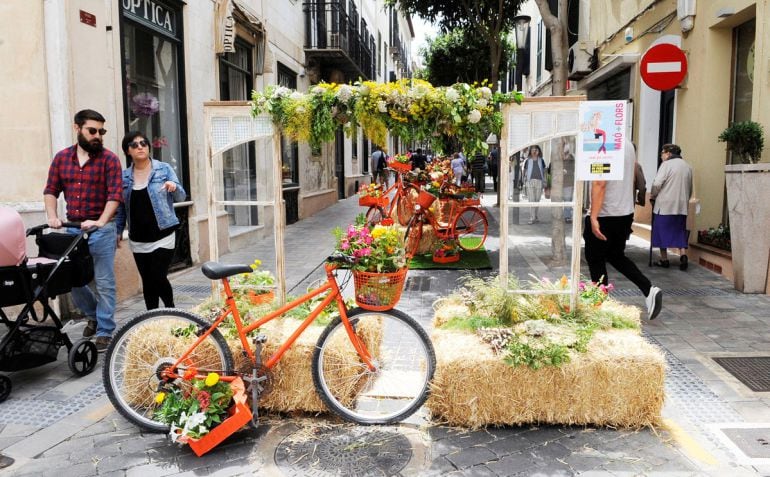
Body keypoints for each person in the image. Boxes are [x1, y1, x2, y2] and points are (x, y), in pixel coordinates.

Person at [43, 109, 123, 351]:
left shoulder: (109, 160)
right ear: (77, 128)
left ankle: (105, 331)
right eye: (92, 130)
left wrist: (100, 221)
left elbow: (115, 195)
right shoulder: (61, 158)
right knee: (74, 280)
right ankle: (94, 316)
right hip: (72, 229)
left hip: (102, 229)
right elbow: (50, 190)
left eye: (101, 131)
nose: (98, 135)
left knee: (104, 281)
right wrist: (52, 216)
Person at [584, 139, 662, 320]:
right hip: (624, 212)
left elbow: (600, 183)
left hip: (605, 213)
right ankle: (649, 289)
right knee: (615, 256)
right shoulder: (626, 144)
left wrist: (594, 217)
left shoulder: (604, 144)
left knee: (595, 258)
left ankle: (598, 306)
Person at [115, 131, 186, 310]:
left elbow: (181, 196)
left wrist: (173, 186)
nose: (140, 146)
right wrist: (118, 230)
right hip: (138, 238)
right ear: (127, 151)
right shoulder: (123, 177)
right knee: (147, 280)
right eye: (134, 144)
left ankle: (171, 309)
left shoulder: (164, 169)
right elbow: (121, 208)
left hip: (164, 234)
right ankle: (151, 317)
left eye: (143, 143)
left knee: (158, 276)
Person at [650, 144, 693, 270]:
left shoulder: (666, 165)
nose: (661, 156)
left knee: (661, 232)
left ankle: (664, 259)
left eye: (662, 153)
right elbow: (690, 188)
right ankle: (683, 255)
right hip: (681, 206)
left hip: (665, 205)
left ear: (668, 153)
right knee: (679, 231)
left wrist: (653, 195)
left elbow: (657, 183)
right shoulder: (687, 166)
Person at [522, 145, 546, 224]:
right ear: (530, 151)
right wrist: (524, 182)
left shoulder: (541, 160)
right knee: (532, 200)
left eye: (536, 150)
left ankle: (535, 216)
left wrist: (545, 181)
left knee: (537, 200)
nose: (534, 151)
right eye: (533, 150)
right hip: (530, 181)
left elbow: (544, 171)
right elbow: (524, 171)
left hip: (539, 181)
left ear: (539, 151)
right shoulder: (527, 161)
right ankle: (532, 218)